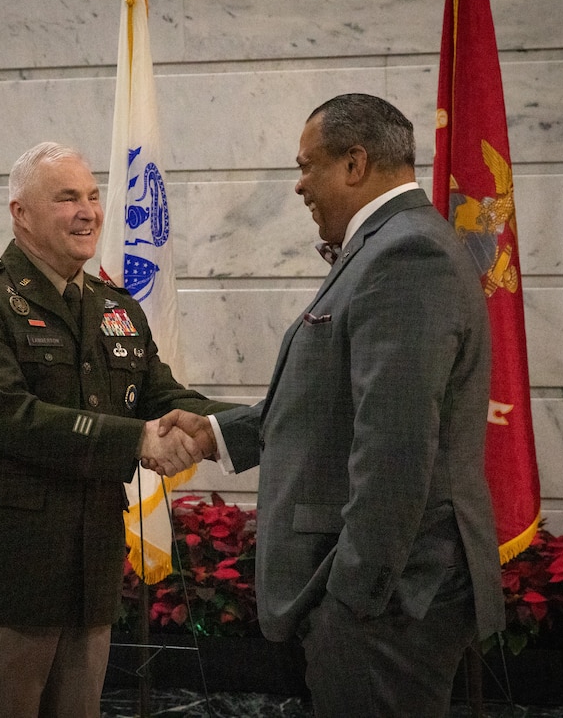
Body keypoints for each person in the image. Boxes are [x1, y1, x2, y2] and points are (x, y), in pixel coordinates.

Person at [160, 93, 505, 717]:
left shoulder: (406, 255)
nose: (298, 186)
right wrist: (215, 432)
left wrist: (353, 597)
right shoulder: (385, 245)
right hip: (387, 596)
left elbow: (395, 444)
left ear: (354, 163)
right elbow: (328, 404)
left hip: (392, 600)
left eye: (306, 165)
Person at [0, 141, 230, 718]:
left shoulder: (114, 306)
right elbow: (10, 416)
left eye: (91, 195)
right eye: (66, 198)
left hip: (87, 582)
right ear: (21, 213)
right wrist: (136, 439)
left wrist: (236, 426)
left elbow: (161, 396)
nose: (88, 211)